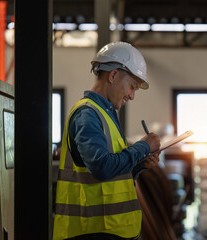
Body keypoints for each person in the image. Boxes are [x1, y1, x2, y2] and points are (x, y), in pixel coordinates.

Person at [53, 42, 161, 240]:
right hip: (92, 231)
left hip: (108, 230)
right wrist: (144, 146)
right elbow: (102, 167)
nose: (132, 96)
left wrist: (139, 165)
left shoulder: (105, 114)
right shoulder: (88, 114)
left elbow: (112, 173)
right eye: (132, 87)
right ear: (113, 76)